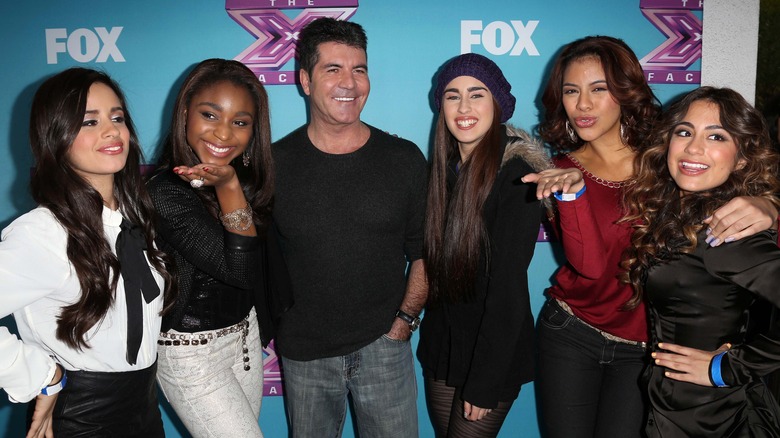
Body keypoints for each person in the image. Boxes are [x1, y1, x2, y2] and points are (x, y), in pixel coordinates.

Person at [522, 36, 779, 438]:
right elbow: (588, 267)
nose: (583, 104)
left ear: (625, 91)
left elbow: (736, 169)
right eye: (571, 91)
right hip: (571, 333)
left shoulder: (669, 157)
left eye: (599, 88)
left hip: (645, 350)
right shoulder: (558, 172)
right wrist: (572, 195)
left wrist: (770, 206)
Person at [271, 18, 428, 437]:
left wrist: (404, 323)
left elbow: (425, 253)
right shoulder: (273, 165)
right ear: (305, 80)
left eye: (359, 69)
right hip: (304, 356)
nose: (350, 82)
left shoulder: (404, 159)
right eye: (333, 69)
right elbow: (256, 259)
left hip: (385, 346)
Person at [0, 67, 173, 437]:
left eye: (117, 118)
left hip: (145, 408)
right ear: (56, 137)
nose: (112, 131)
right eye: (89, 122)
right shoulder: (43, 232)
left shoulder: (134, 220)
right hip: (82, 416)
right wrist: (39, 374)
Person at [622, 86, 780, 437]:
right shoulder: (679, 213)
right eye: (684, 132)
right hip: (675, 411)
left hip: (714, 421)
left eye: (716, 136)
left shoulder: (724, 232)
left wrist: (730, 368)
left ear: (741, 158)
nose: (694, 147)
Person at [417, 53, 550, 437]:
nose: (463, 107)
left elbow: (507, 288)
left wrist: (485, 380)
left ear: (498, 104)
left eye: (477, 94)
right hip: (444, 348)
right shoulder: (441, 174)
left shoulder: (518, 177)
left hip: (492, 353)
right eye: (452, 95)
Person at [147, 58, 275, 438]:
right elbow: (240, 271)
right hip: (191, 353)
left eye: (240, 122)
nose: (223, 134)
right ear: (185, 113)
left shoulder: (249, 180)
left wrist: (234, 186)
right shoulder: (164, 191)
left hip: (244, 338)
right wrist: (229, 187)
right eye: (209, 114)